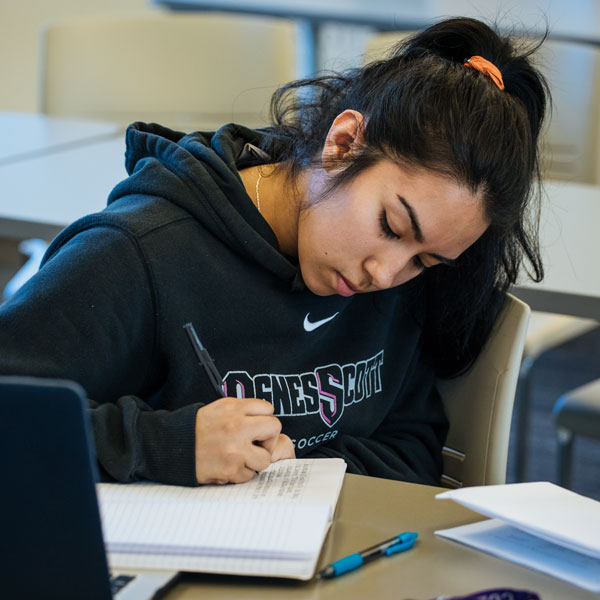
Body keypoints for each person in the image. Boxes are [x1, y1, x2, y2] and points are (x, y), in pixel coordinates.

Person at [0, 17, 548, 487]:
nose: (386, 272)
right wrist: (163, 444)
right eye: (390, 225)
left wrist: (299, 464)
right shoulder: (135, 253)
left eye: (425, 261)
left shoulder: (395, 281)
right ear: (342, 144)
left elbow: (411, 444)